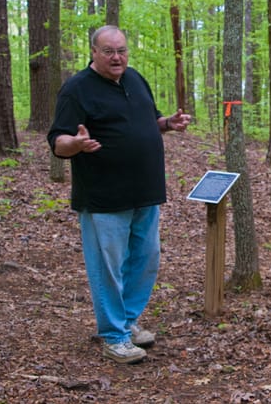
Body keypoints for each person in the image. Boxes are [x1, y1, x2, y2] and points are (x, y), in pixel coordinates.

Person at [47, 25, 192, 364]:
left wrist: (168, 123)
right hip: (104, 197)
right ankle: (113, 336)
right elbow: (58, 142)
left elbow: (148, 121)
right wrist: (77, 144)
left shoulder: (135, 79)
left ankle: (127, 323)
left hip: (145, 192)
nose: (117, 57)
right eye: (109, 51)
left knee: (146, 261)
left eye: (122, 50)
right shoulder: (76, 89)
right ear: (94, 52)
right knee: (108, 268)